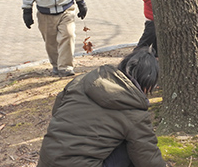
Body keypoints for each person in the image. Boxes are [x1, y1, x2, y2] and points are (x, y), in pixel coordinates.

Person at [37, 48, 166, 167]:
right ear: (146, 83)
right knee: (131, 147)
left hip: (47, 159)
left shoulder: (81, 81)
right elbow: (147, 157)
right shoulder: (134, 111)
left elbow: (57, 110)